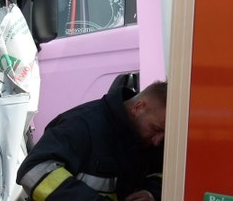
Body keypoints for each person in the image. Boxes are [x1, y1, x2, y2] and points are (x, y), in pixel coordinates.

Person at [17, 80, 167, 201]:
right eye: (156, 129)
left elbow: (164, 173)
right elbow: (33, 170)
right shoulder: (82, 124)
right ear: (138, 108)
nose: (157, 141)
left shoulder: (145, 138)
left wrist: (151, 192)